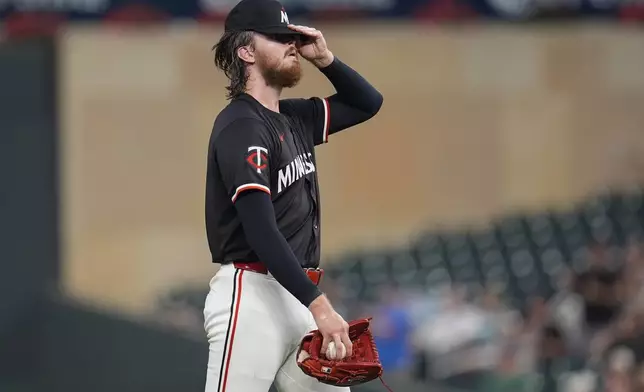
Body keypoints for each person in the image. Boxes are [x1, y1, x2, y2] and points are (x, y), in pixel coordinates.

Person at [202, 0, 383, 391]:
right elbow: (260, 229)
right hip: (252, 296)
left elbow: (368, 103)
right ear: (246, 51)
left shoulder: (295, 118)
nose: (290, 43)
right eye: (278, 36)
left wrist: (326, 58)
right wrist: (319, 304)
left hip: (297, 296)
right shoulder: (241, 124)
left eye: (291, 36)